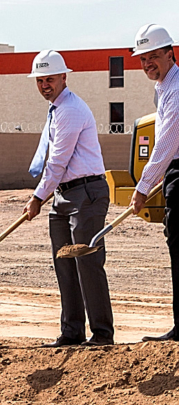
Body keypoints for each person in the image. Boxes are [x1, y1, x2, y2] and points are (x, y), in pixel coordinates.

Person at [22, 51, 113, 347]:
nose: (45, 85)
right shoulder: (56, 110)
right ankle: (72, 332)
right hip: (63, 195)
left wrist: (38, 197)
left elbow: (58, 161)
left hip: (86, 193)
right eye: (40, 80)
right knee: (64, 263)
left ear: (64, 77)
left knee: (87, 261)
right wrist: (47, 195)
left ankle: (101, 333)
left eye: (50, 79)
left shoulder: (70, 110)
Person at [129, 24, 179, 342]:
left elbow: (168, 140)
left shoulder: (175, 88)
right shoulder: (163, 87)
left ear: (170, 53)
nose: (148, 63)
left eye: (153, 56)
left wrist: (144, 185)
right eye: (143, 58)